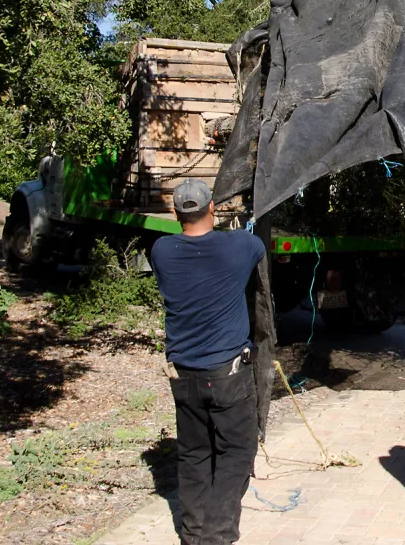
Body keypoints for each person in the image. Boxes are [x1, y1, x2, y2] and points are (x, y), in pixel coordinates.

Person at [149, 180, 264, 545]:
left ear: (175, 214)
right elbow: (257, 246)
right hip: (227, 375)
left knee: (194, 454)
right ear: (212, 207)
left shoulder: (162, 251)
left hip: (184, 376)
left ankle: (193, 533)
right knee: (238, 451)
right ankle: (216, 536)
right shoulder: (239, 246)